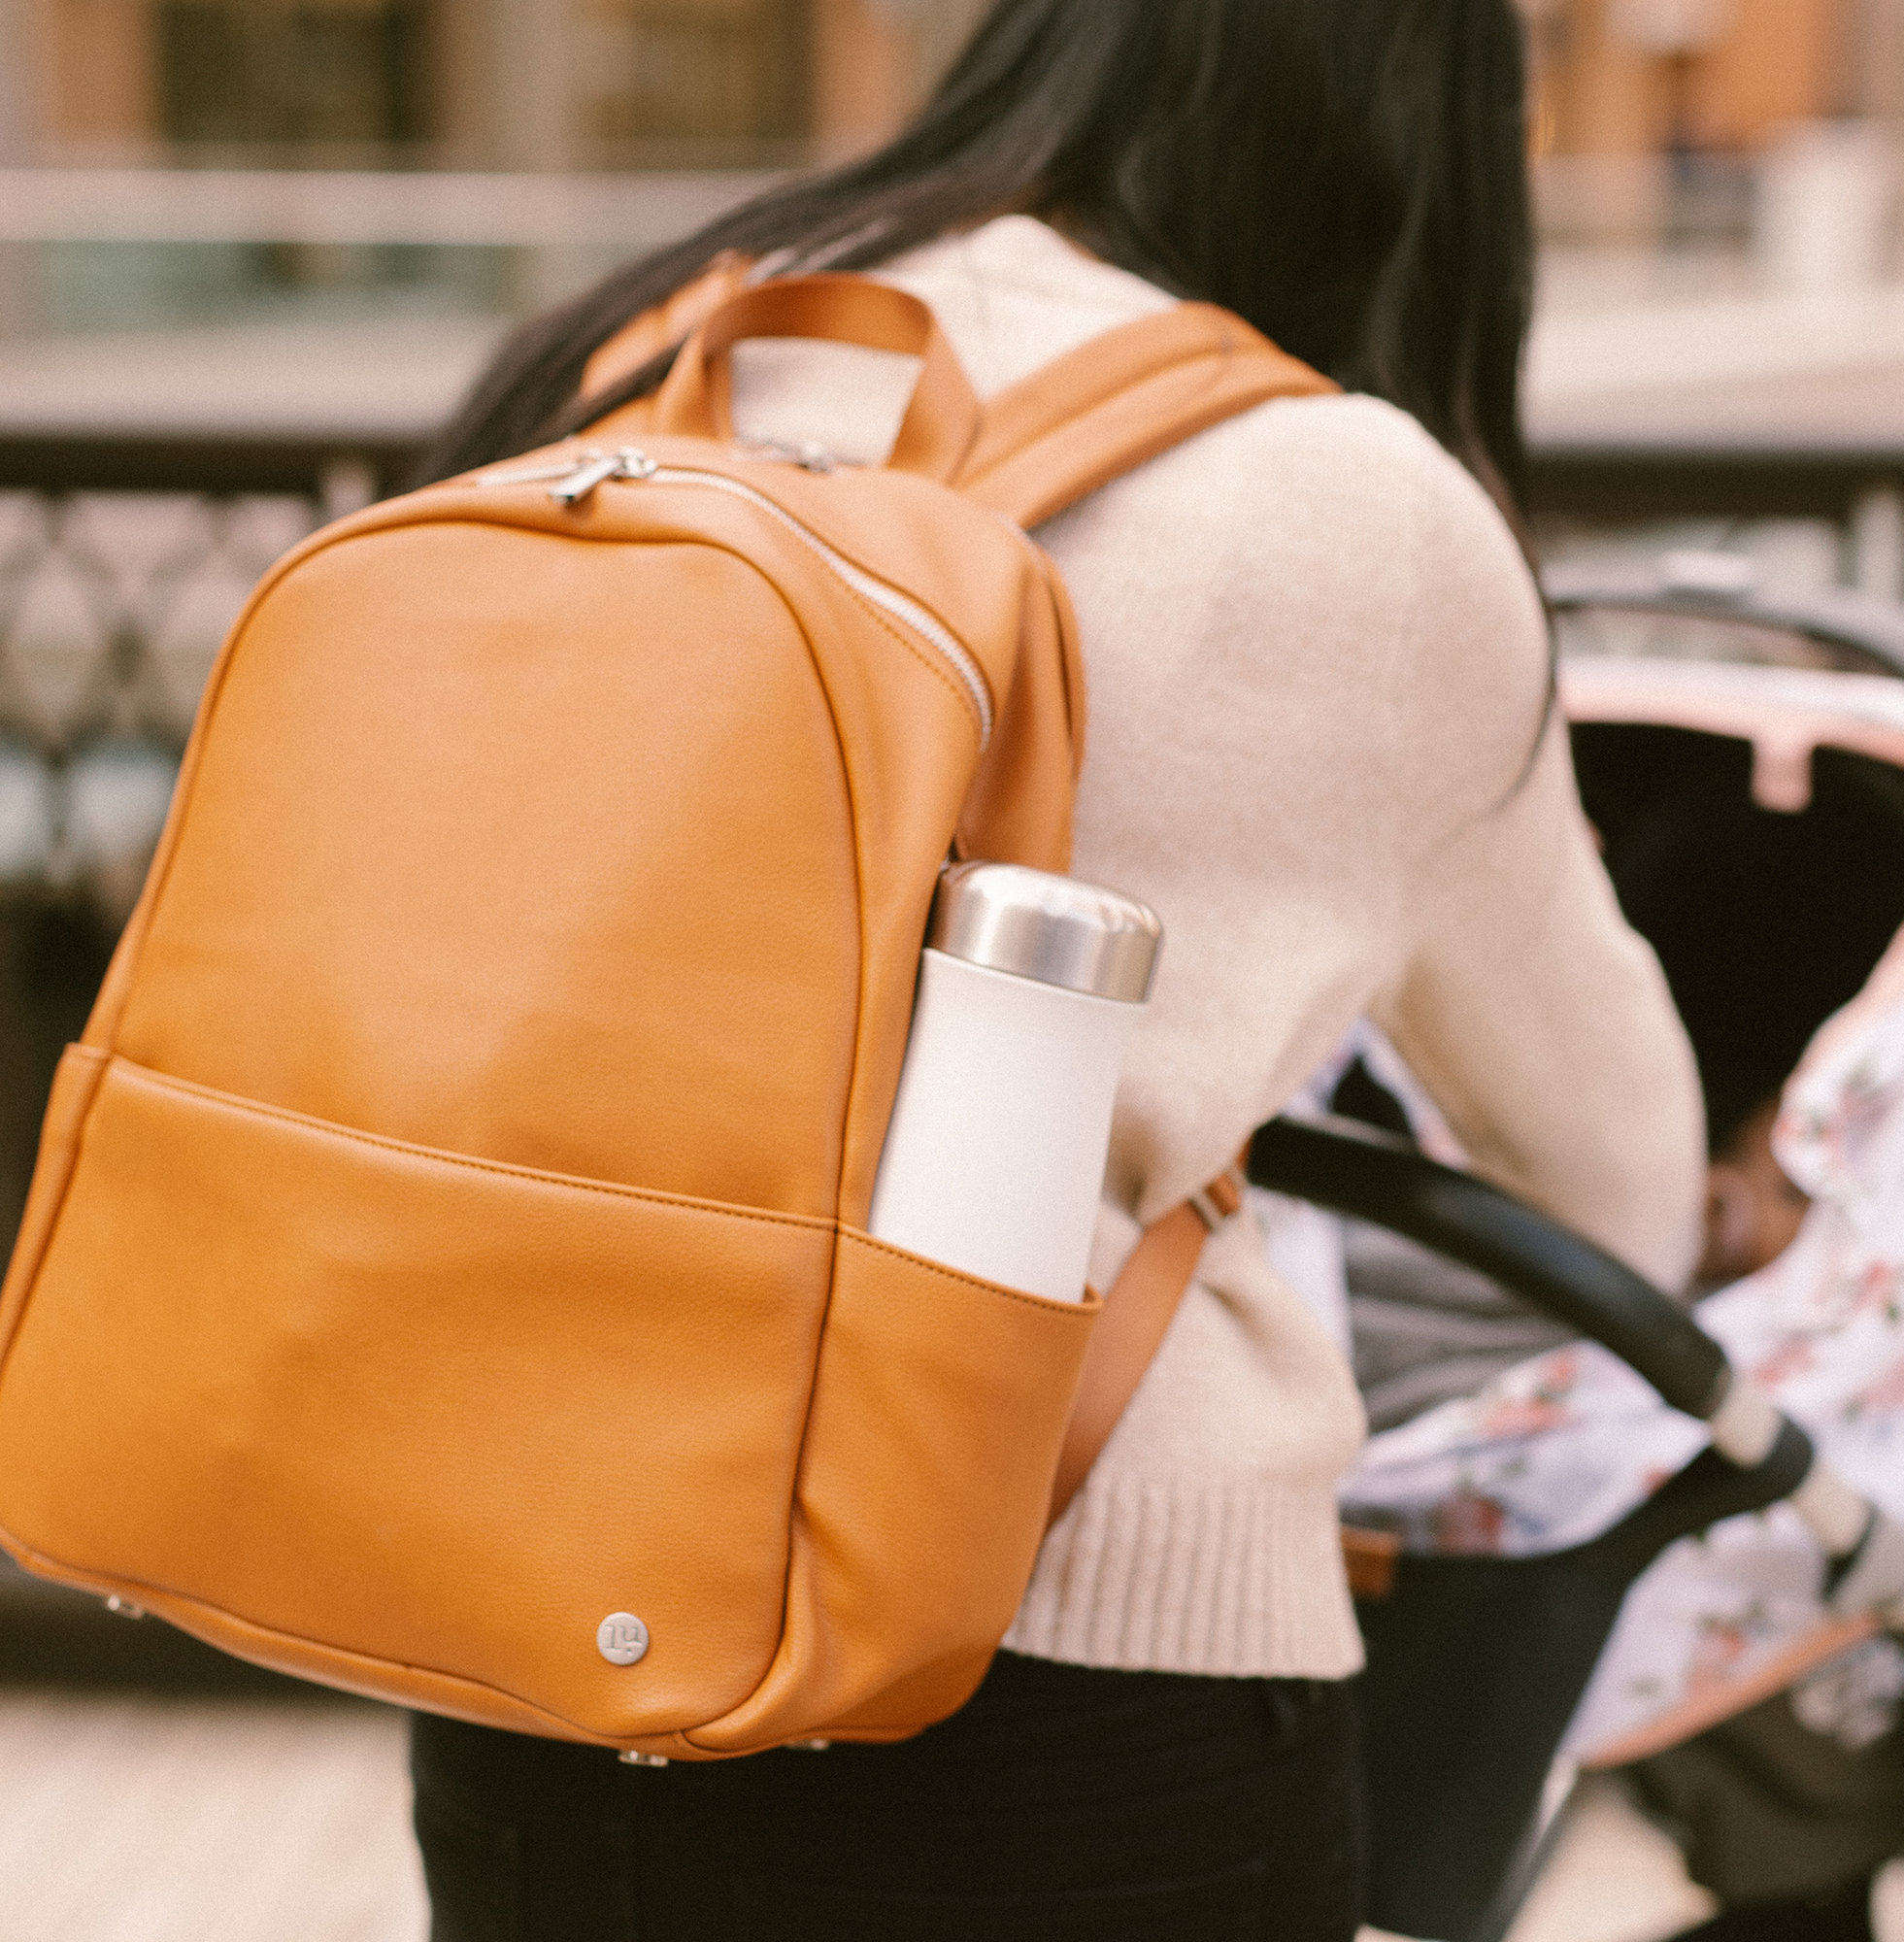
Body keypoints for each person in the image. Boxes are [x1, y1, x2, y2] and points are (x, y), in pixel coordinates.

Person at [410, 3, 1705, 1936]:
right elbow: (1614, 1173)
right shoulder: (1356, 506)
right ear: (1418, 118)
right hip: (1082, 1661)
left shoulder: (628, 355)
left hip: (527, 1592)